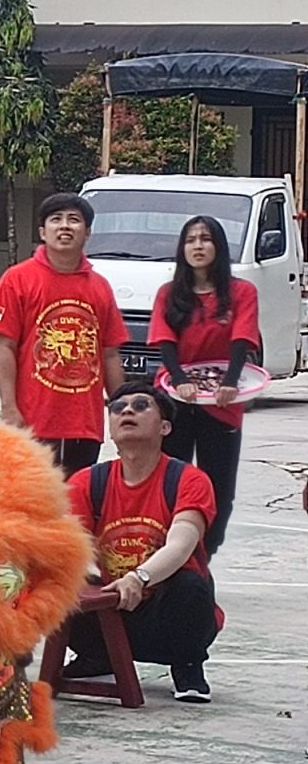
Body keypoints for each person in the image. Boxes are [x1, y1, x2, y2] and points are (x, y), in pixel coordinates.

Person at [64, 386, 221, 703]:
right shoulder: (85, 482)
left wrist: (139, 578)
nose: (126, 412)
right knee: (52, 583)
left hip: (164, 611)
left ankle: (187, 663)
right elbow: (72, 548)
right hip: (108, 606)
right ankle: (99, 655)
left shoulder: (188, 480)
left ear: (165, 427)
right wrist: (102, 586)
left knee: (191, 586)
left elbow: (181, 544)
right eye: (118, 407)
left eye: (140, 405)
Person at [0, 193, 127, 475]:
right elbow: (5, 347)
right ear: (42, 232)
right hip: (32, 421)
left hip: (85, 426)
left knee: (77, 507)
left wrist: (121, 408)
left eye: (74, 221)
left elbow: (110, 353)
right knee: (32, 504)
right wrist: (9, 407)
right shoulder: (17, 279)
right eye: (56, 220)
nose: (65, 226)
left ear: (87, 233)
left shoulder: (100, 287)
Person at [149, 215, 257, 556]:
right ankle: (166, 552)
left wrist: (229, 384)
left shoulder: (242, 292)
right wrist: (179, 381)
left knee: (219, 487)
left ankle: (204, 553)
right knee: (170, 479)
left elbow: (243, 338)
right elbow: (164, 341)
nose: (198, 246)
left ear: (218, 246)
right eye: (191, 239)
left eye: (206, 239)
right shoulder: (169, 294)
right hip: (177, 399)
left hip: (223, 403)